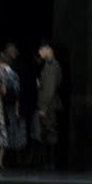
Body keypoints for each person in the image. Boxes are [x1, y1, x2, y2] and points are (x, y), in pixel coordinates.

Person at [36, 41, 64, 169]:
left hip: (49, 105)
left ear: (48, 49)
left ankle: (50, 163)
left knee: (50, 132)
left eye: (41, 49)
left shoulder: (52, 66)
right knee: (47, 133)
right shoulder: (48, 65)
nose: (39, 52)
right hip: (48, 104)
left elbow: (49, 89)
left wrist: (44, 107)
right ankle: (47, 162)